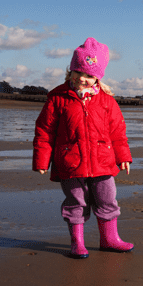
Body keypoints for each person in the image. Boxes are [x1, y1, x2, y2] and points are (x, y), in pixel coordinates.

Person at [32, 38, 134, 258]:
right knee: (76, 202)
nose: (83, 79)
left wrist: (123, 156)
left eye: (89, 75)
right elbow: (44, 131)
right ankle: (77, 242)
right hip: (70, 161)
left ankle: (110, 239)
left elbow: (118, 131)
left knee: (107, 200)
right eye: (78, 72)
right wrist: (42, 160)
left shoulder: (107, 101)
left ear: (97, 77)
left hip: (103, 162)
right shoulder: (57, 99)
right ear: (71, 71)